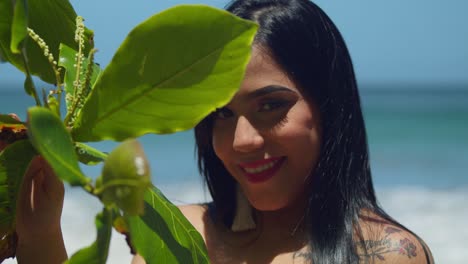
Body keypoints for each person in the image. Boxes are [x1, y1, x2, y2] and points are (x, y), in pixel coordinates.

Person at [13, 0, 433, 263]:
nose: (242, 140)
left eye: (270, 106)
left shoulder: (389, 255)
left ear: (329, 107)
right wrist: (40, 233)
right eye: (221, 115)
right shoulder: (179, 234)